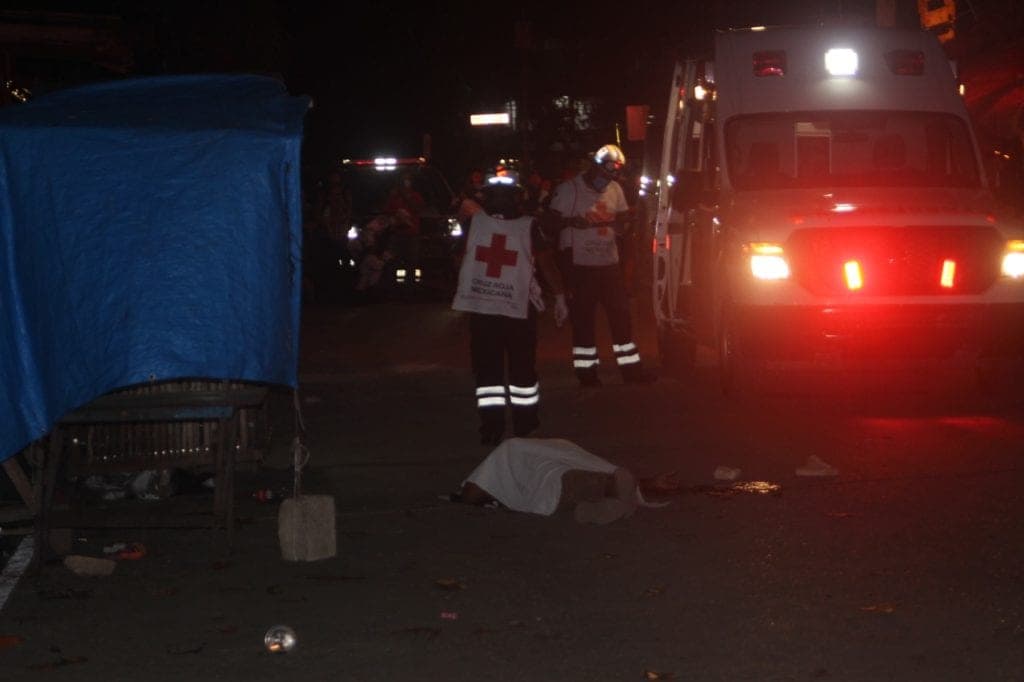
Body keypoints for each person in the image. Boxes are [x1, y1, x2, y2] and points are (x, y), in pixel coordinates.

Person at [451, 167, 569, 446]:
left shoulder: (473, 224)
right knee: (522, 370)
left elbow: (458, 261)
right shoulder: (529, 225)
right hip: (518, 311)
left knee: (488, 372)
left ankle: (491, 428)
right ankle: (525, 425)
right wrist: (560, 295)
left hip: (483, 310)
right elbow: (546, 262)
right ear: (518, 197)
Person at [543, 144, 655, 386]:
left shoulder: (615, 189)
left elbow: (623, 221)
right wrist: (572, 222)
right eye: (605, 174)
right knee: (583, 320)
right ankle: (587, 373)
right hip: (579, 266)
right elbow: (548, 225)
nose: (608, 180)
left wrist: (623, 223)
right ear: (595, 167)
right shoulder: (569, 190)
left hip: (608, 263)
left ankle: (631, 371)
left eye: (613, 175)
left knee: (622, 317)